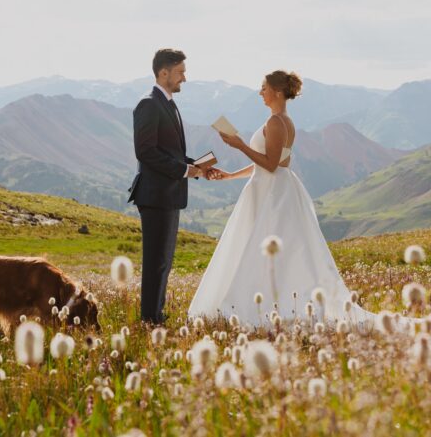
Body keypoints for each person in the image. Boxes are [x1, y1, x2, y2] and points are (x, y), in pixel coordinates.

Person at [187, 69, 376, 326]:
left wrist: (239, 145)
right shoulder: (285, 121)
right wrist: (231, 176)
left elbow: (272, 164)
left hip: (272, 194)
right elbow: (269, 164)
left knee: (259, 248)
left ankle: (259, 307)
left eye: (263, 88)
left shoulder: (276, 123)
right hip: (274, 188)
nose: (260, 92)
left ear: (276, 92)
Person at [128, 48, 221, 324]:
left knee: (163, 262)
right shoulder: (148, 104)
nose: (184, 78)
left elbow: (170, 152)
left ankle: (156, 314)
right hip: (155, 196)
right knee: (156, 262)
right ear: (164, 72)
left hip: (168, 195)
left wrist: (197, 167)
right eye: (180, 72)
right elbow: (145, 151)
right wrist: (184, 170)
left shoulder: (168, 103)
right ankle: (149, 320)